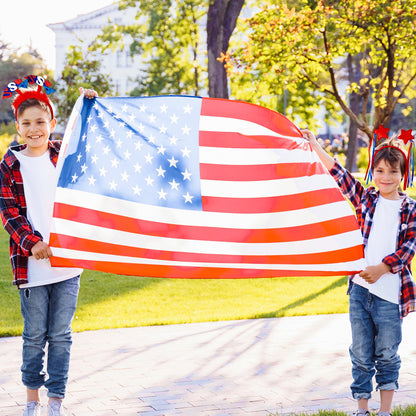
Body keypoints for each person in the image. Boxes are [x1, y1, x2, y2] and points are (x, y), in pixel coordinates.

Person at [0, 77, 97, 416]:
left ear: (52, 123)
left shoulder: (63, 156)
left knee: (60, 335)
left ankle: (56, 398)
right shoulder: (10, 165)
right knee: (34, 335)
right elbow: (9, 213)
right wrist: (33, 243)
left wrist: (87, 105)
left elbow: (88, 144)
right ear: (18, 126)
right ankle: (31, 400)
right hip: (33, 267)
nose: (34, 129)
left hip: (67, 266)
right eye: (26, 123)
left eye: (40, 122)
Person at [302, 129, 416, 416]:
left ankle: (385, 411)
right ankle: (362, 409)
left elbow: (409, 246)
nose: (385, 177)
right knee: (361, 353)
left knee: (387, 354)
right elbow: (340, 175)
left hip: (390, 297)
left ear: (403, 174)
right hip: (360, 292)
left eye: (392, 171)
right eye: (379, 170)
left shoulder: (411, 208)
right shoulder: (367, 199)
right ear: (372, 171)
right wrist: (315, 144)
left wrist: (382, 268)